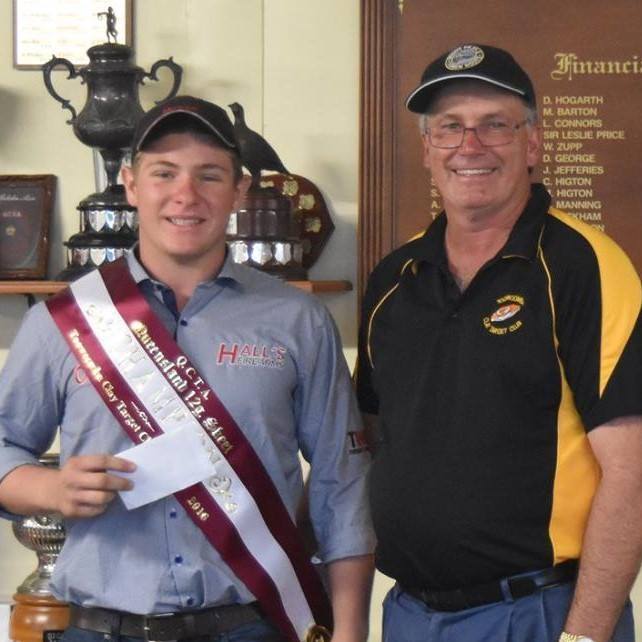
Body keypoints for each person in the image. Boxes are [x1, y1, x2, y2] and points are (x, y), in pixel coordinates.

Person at [0, 96, 374, 642]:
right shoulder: (64, 321)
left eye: (210, 175)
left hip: (252, 625)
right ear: (130, 184)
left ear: (239, 191)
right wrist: (51, 489)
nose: (186, 195)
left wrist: (350, 629)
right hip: (100, 628)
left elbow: (343, 483)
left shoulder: (297, 320)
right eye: (164, 173)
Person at [355, 44, 642, 642]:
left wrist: (584, 636)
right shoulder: (394, 278)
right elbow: (374, 440)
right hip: (409, 614)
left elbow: (633, 468)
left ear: (532, 144)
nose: (470, 146)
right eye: (450, 129)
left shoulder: (583, 266)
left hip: (541, 614)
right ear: (427, 148)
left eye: (495, 126)